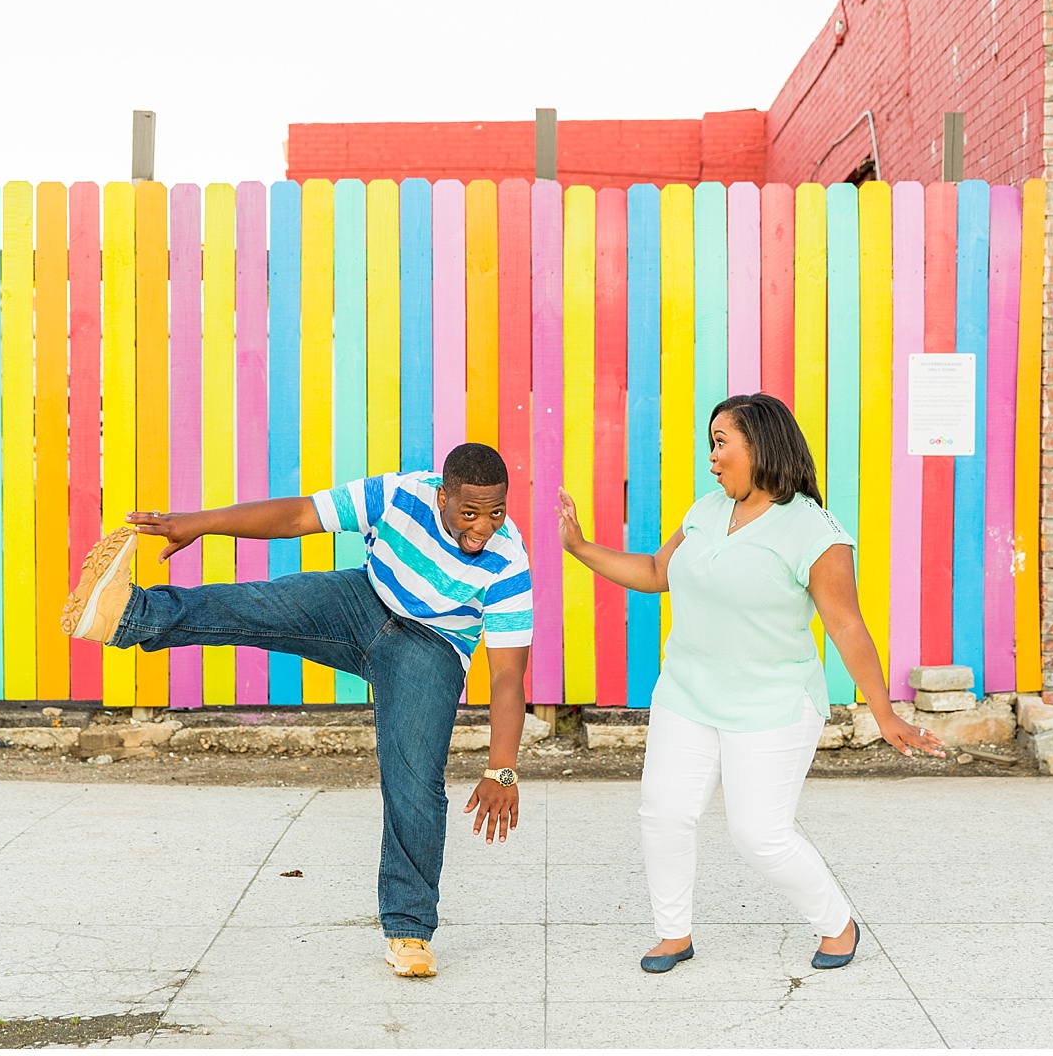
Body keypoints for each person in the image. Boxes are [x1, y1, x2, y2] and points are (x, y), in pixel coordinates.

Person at [61, 443, 533, 979]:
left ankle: (409, 931)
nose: (483, 527)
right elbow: (300, 515)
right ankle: (126, 615)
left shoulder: (509, 558)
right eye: (469, 513)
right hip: (363, 602)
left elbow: (507, 674)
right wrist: (202, 523)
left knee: (414, 781)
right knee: (259, 605)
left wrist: (502, 766)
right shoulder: (401, 494)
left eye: (495, 512)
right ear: (442, 495)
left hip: (431, 648)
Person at [555, 393, 945, 974]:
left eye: (721, 442)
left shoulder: (816, 533)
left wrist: (884, 712)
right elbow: (658, 573)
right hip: (687, 693)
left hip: (773, 705)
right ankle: (672, 934)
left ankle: (838, 923)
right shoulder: (707, 510)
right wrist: (580, 547)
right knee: (663, 813)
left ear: (760, 446)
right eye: (710, 444)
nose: (711, 458)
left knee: (759, 835)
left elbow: (847, 625)